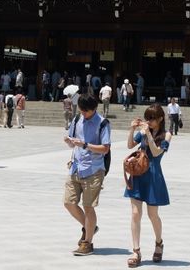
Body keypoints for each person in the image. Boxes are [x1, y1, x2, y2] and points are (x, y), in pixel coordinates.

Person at [63, 94, 111, 257]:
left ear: (94, 108)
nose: (83, 113)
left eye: (86, 111)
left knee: (88, 206)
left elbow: (105, 148)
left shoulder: (103, 123)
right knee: (68, 203)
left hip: (94, 169)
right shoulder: (77, 119)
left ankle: (87, 243)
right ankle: (90, 227)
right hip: (76, 167)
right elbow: (72, 139)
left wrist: (84, 144)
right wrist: (69, 141)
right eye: (82, 110)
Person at [124, 104, 171, 267]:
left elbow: (157, 152)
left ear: (160, 119)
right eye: (147, 118)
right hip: (138, 174)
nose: (149, 121)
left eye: (152, 118)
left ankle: (159, 243)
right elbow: (130, 145)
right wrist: (132, 130)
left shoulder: (167, 134)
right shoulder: (143, 132)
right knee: (135, 213)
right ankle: (136, 251)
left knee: (153, 215)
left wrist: (149, 135)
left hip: (153, 176)